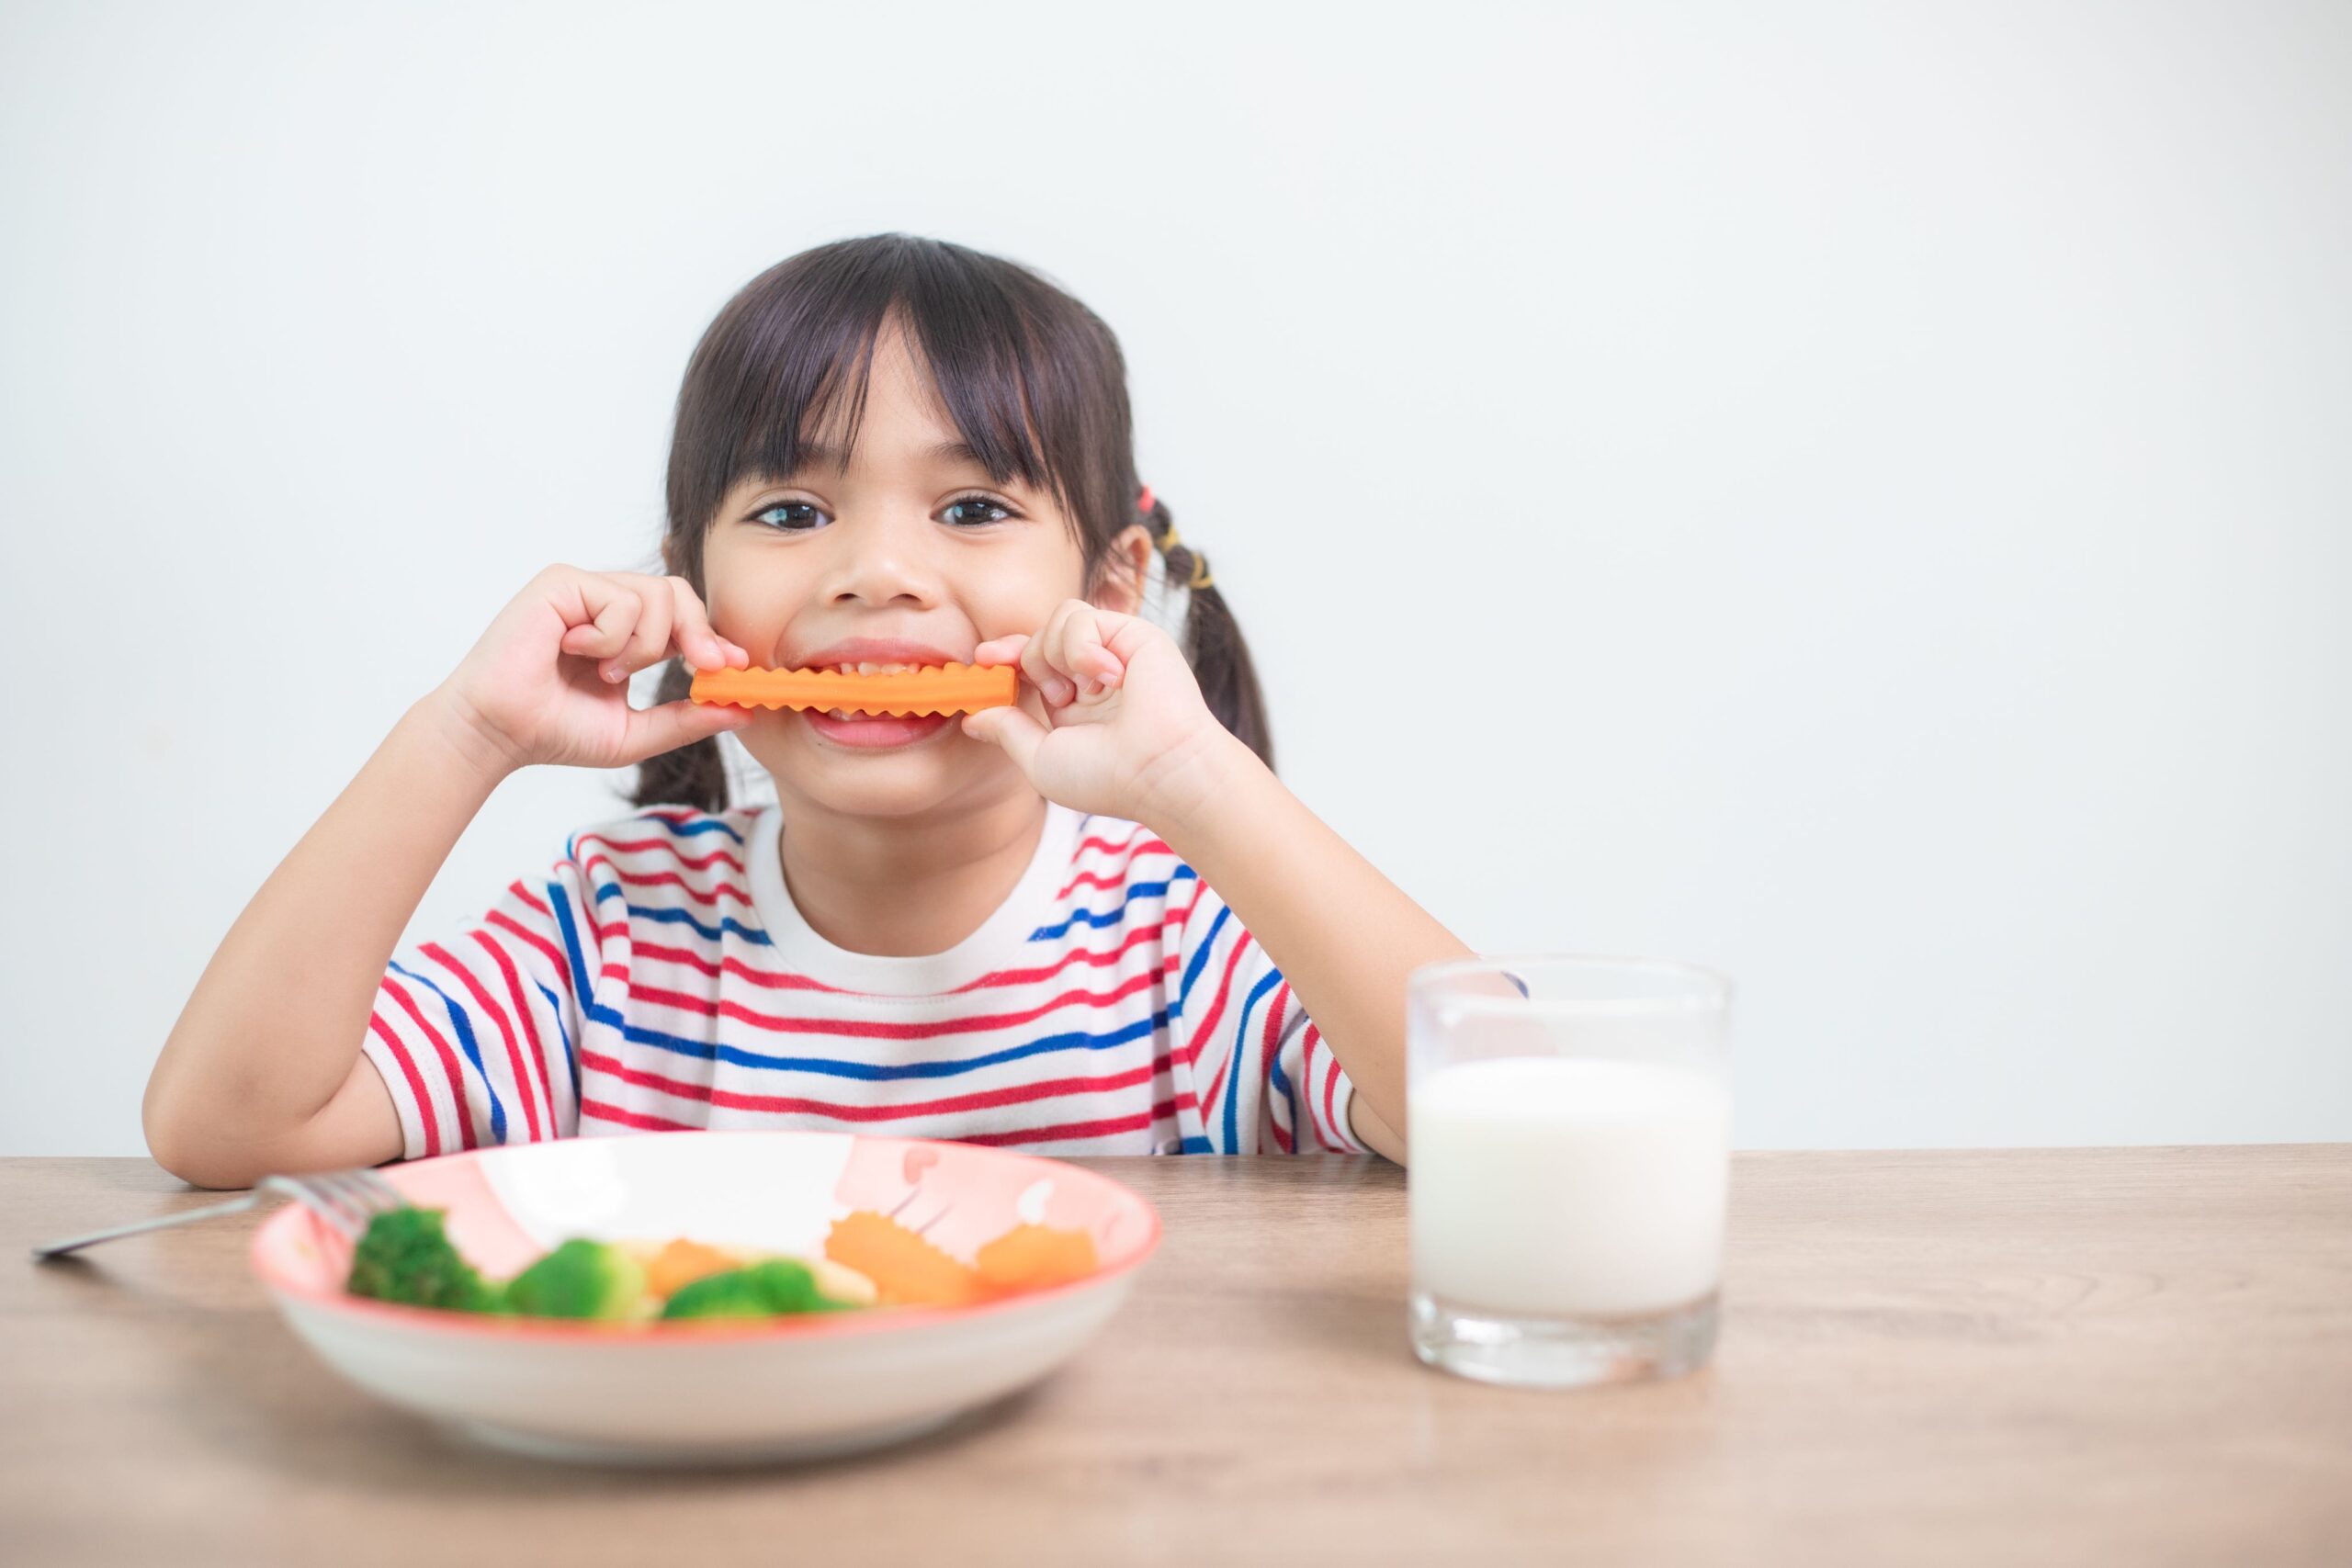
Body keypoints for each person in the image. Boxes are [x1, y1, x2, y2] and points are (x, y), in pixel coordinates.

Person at [144, 234, 1468, 1189]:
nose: (874, 570)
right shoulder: (612, 938)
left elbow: (1488, 1119)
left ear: (1110, 587)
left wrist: (1193, 771)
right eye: (790, 513)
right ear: (689, 587)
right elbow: (227, 1128)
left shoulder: (1180, 939)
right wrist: (464, 736)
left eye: (971, 509)